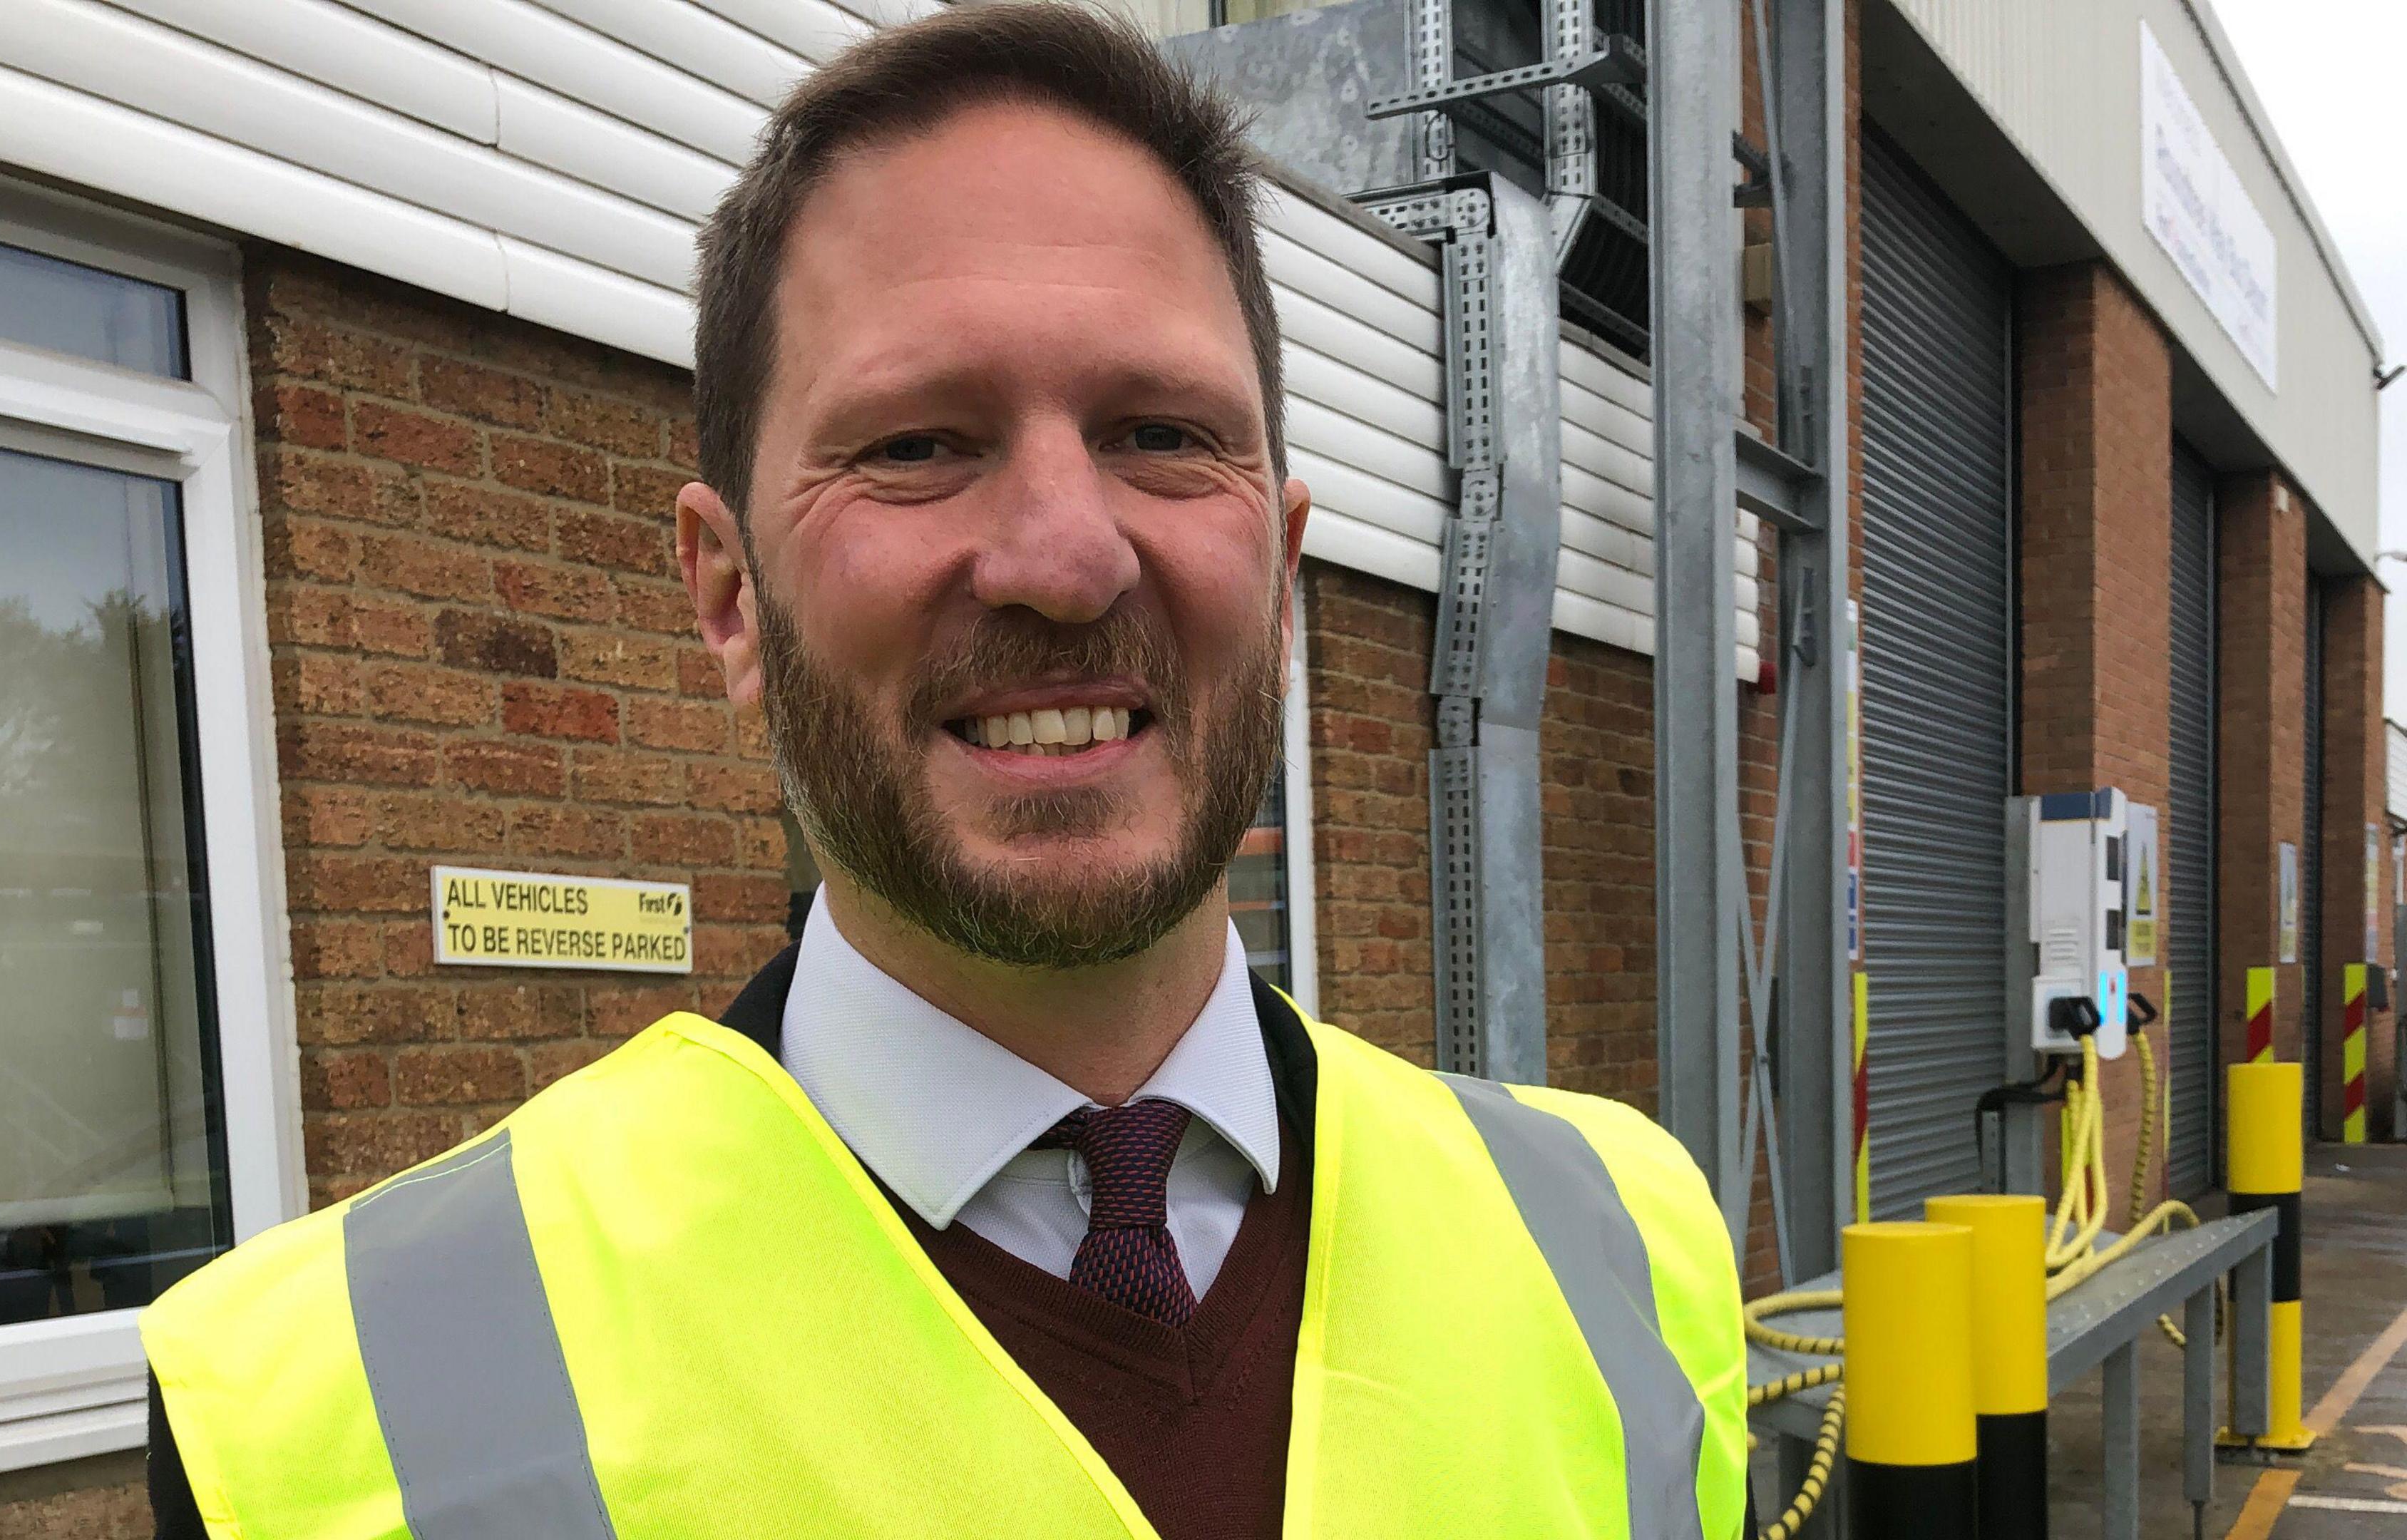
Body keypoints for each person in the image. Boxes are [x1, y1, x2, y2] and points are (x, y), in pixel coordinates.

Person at [140, 6, 1745, 1536]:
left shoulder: (1626, 1250)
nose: (1063, 555)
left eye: (1163, 434)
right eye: (917, 445)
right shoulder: (330, 1411)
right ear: (729, 596)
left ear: (1281, 561)